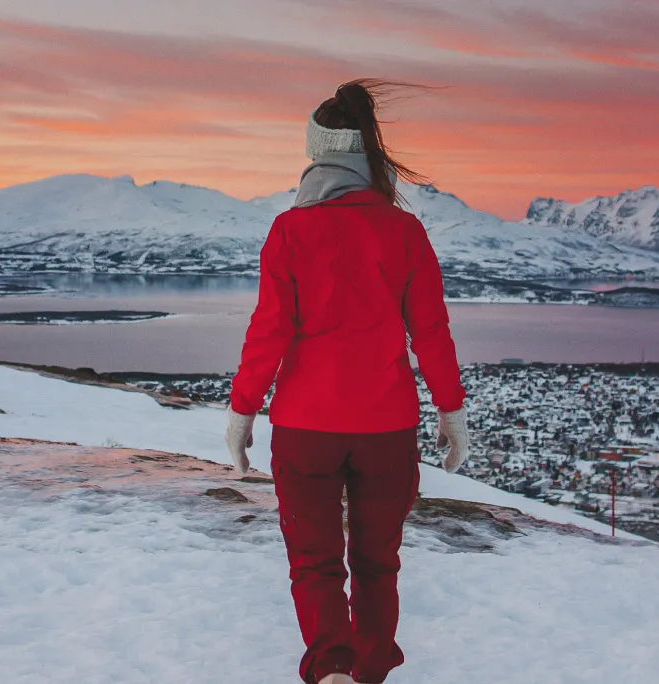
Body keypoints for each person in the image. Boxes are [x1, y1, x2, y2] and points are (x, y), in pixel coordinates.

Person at [224, 78, 471, 684]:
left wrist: (242, 411)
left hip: (306, 427)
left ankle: (332, 667)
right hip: (387, 427)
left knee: (315, 562)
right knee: (376, 563)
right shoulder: (405, 231)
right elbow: (432, 331)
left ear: (316, 153)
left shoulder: (290, 230)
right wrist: (451, 410)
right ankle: (369, 673)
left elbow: (269, 330)